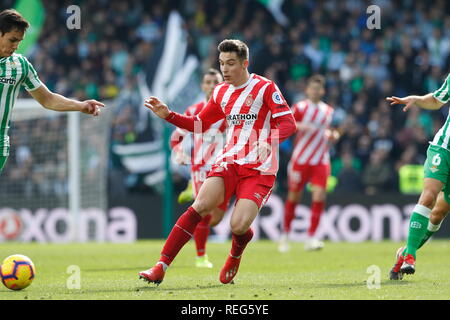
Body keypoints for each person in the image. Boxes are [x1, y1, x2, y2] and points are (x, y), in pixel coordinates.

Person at [140, 39, 296, 285]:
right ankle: (160, 266)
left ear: (245, 63)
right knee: (200, 205)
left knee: (238, 225)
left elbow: (289, 123)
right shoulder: (221, 91)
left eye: (231, 63)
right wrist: (168, 115)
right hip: (229, 160)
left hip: (260, 168)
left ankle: (235, 254)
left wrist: (269, 140)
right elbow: (200, 124)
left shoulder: (265, 88)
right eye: (222, 63)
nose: (225, 69)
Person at [0, 9, 103, 173]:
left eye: (19, 41)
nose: (16, 46)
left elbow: (47, 99)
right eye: (12, 40)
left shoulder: (21, 65)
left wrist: (81, 106)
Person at [387, 74, 450, 280]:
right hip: (444, 148)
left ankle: (404, 254)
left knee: (439, 213)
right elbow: (437, 100)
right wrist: (416, 99)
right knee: (429, 196)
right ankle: (411, 257)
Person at [170, 68, 228, 268]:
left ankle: (191, 191)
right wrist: (178, 152)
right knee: (203, 212)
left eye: (216, 82)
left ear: (222, 85)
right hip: (201, 167)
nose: (212, 86)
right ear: (203, 86)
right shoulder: (194, 111)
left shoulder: (230, 110)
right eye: (208, 82)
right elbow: (176, 137)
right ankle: (201, 257)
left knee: (216, 218)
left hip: (224, 167)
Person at [279, 75, 339, 252]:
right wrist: (302, 126)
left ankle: (312, 237)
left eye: (318, 89)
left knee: (319, 196)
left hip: (320, 159)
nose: (315, 91)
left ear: (323, 91)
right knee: (294, 197)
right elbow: (287, 124)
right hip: (301, 159)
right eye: (312, 88)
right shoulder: (300, 107)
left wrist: (334, 136)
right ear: (307, 90)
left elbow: (329, 132)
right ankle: (285, 235)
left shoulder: (328, 110)